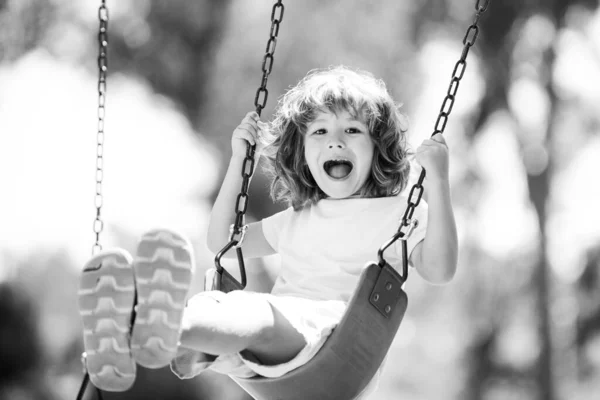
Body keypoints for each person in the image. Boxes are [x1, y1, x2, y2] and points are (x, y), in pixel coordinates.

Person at [78, 65, 458, 398]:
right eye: (320, 131)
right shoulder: (297, 219)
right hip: (267, 353)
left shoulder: (397, 212)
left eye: (353, 129)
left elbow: (439, 270)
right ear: (303, 154)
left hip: (339, 342)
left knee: (256, 311)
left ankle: (169, 326)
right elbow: (224, 242)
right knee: (225, 308)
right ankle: (140, 327)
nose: (335, 140)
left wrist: (438, 180)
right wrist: (240, 161)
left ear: (379, 147)